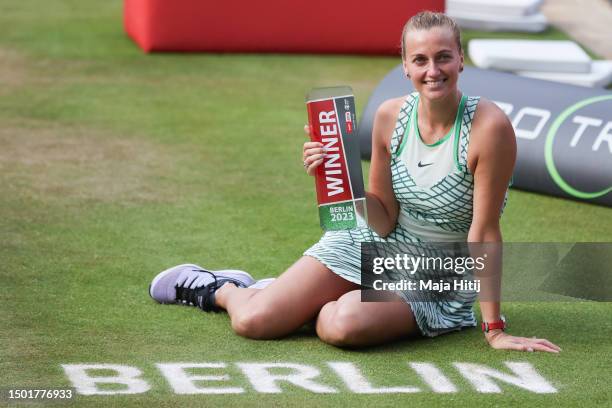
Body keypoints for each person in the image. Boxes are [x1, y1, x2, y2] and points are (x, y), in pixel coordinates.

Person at [149, 11, 561, 353]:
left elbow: (484, 230)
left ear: (460, 60)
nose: (432, 71)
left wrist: (495, 328)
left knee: (341, 324)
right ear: (404, 64)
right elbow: (382, 219)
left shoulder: (489, 128)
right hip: (374, 243)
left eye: (443, 57)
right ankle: (220, 288)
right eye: (420, 60)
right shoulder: (388, 116)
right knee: (255, 321)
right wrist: (343, 181)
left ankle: (303, 299)